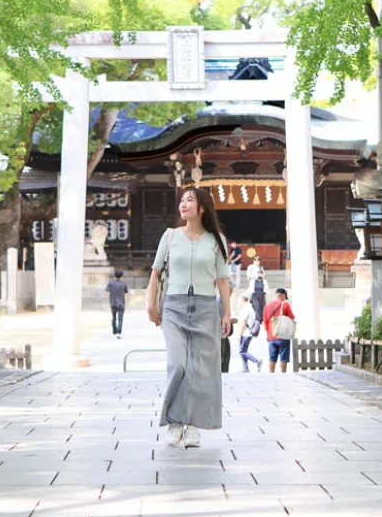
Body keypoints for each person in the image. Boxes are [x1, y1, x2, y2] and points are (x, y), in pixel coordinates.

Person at [146, 187, 232, 449]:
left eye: (189, 200)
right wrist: (151, 303)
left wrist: (227, 313)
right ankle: (174, 421)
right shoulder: (170, 237)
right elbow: (155, 272)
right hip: (174, 306)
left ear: (202, 208)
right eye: (182, 200)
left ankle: (192, 425)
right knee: (179, 365)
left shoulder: (216, 240)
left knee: (200, 369)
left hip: (206, 308)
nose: (183, 204)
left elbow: (222, 279)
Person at [263, 288, 295, 373]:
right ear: (283, 295)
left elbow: (265, 321)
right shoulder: (285, 304)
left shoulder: (267, 305)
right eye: (285, 296)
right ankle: (283, 375)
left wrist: (267, 334)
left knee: (272, 358)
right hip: (282, 335)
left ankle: (271, 375)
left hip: (271, 336)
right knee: (283, 358)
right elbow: (292, 317)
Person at [239, 297, 263, 373]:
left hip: (246, 333)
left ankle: (257, 361)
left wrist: (239, 334)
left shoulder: (246, 309)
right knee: (243, 351)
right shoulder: (251, 309)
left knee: (242, 351)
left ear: (243, 300)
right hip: (249, 333)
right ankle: (245, 368)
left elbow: (243, 322)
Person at [105, 270, 128, 338]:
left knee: (114, 318)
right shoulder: (123, 284)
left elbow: (106, 292)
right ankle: (119, 330)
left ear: (115, 276)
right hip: (121, 304)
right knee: (120, 318)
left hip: (113, 303)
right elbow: (125, 294)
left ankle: (114, 330)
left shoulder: (111, 284)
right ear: (121, 276)